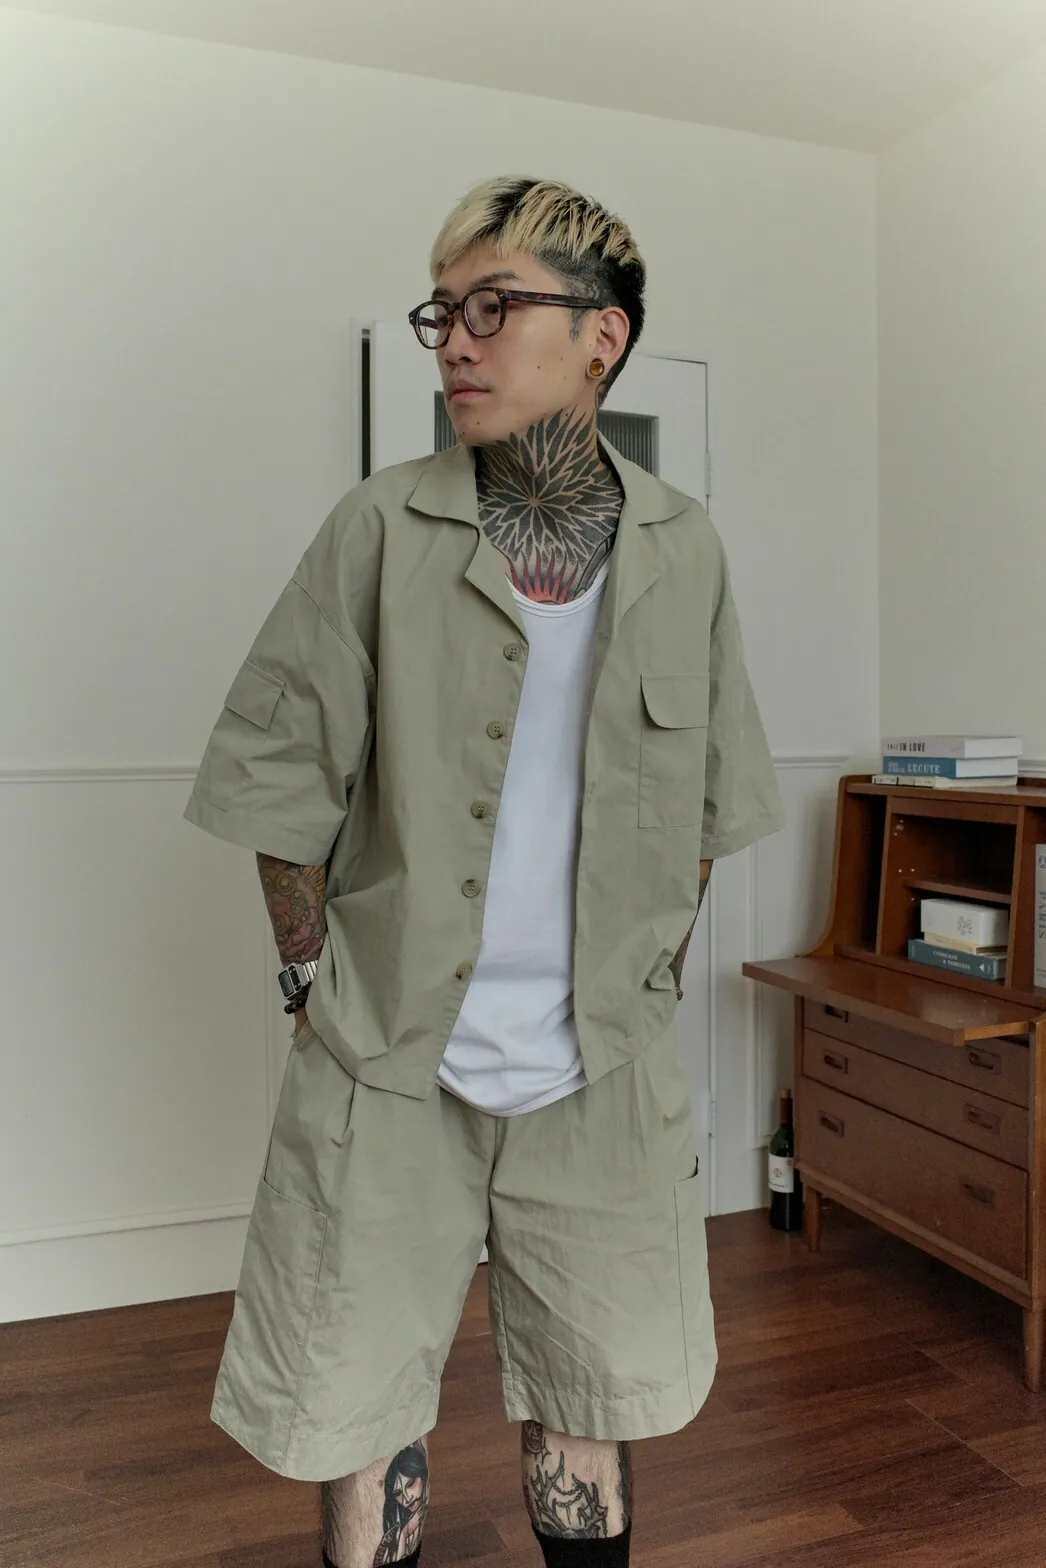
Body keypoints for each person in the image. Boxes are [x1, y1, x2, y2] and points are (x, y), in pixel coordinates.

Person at [184, 175, 784, 1568]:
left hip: (599, 1067)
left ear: (602, 336)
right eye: (441, 313)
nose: (454, 341)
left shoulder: (685, 549)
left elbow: (706, 802)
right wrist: (309, 986)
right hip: (390, 1057)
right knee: (358, 1405)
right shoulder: (377, 529)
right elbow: (281, 781)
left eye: (493, 307)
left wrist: (641, 983)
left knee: (590, 1400)